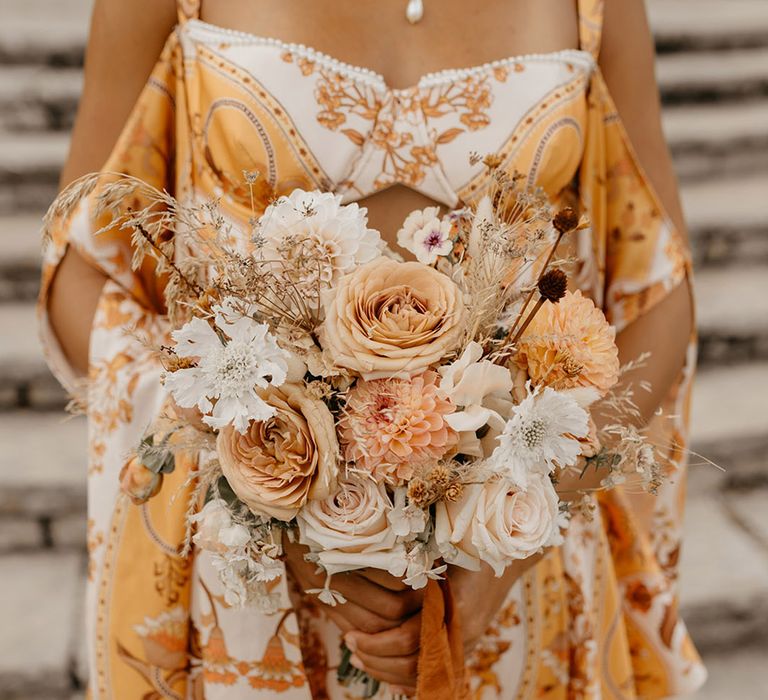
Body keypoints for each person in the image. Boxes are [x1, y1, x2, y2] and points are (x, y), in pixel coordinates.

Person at [40, 0, 707, 696]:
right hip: (251, 586)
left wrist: (514, 532)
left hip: (511, 580)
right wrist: (265, 487)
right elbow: (77, 263)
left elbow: (661, 287)